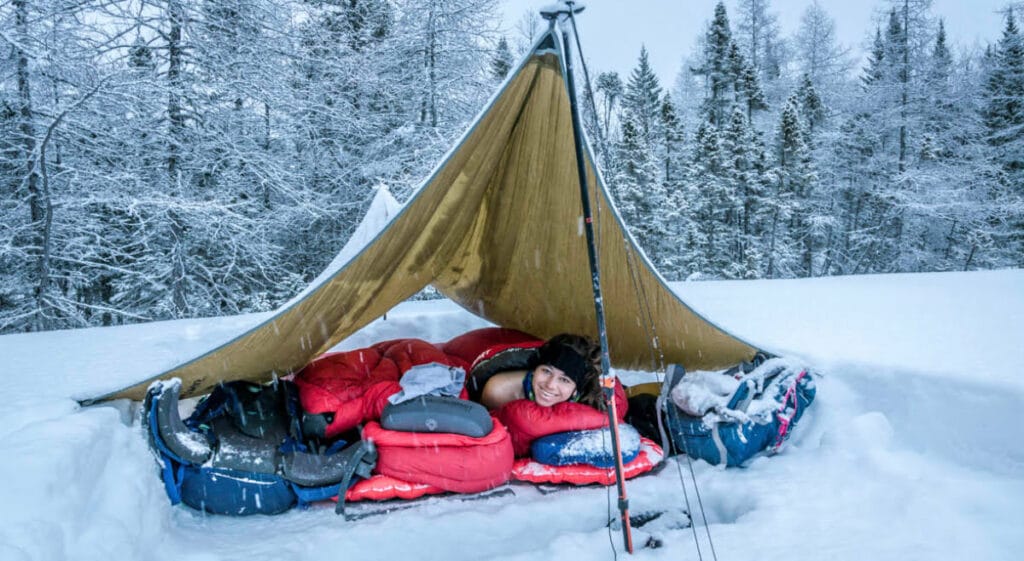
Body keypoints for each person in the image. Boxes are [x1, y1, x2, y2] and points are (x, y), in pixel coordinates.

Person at [474, 333, 604, 410]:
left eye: (564, 380)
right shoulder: (498, 391)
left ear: (577, 389)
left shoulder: (591, 399)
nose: (550, 385)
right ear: (535, 369)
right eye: (546, 371)